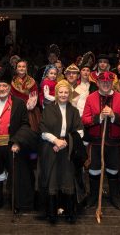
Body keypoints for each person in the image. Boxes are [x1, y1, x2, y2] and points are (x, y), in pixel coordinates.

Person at [0, 68, 37, 215]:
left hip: (12, 146)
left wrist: (17, 142)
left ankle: (15, 202)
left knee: (15, 176)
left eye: (4, 86)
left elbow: (25, 124)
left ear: (9, 87)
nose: (2, 89)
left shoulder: (19, 103)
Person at [38, 80, 85, 224]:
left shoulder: (74, 110)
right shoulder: (48, 109)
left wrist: (64, 143)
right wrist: (55, 141)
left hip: (68, 150)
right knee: (52, 178)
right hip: (50, 148)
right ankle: (51, 213)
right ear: (56, 93)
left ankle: (69, 212)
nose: (64, 95)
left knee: (67, 178)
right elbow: (42, 129)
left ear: (70, 94)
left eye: (66, 92)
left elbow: (80, 131)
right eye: (61, 92)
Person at [82, 71, 120, 211]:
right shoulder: (91, 98)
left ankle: (115, 198)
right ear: (97, 83)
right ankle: (93, 197)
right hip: (96, 142)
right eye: (102, 82)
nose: (105, 84)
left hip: (113, 142)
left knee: (113, 170)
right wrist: (99, 118)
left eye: (108, 82)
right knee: (94, 170)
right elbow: (85, 120)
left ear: (112, 83)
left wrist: (114, 116)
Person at [11, 60, 40, 132]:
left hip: (29, 109)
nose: (21, 68)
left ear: (26, 68)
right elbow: (10, 95)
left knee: (31, 129)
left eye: (23, 66)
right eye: (19, 66)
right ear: (16, 68)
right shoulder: (12, 81)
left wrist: (28, 107)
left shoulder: (31, 81)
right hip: (16, 108)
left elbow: (34, 95)